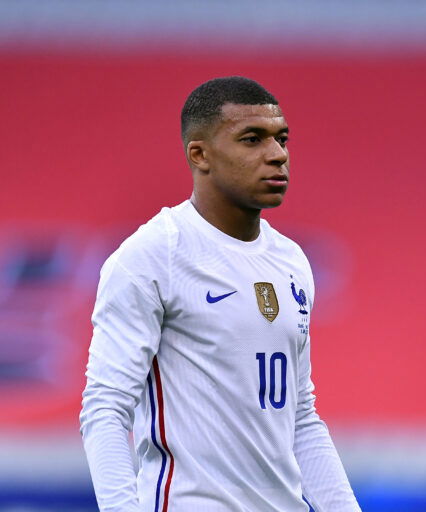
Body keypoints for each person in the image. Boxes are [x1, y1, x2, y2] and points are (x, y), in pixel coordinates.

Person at [79, 76, 361, 512]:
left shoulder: (291, 260)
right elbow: (105, 407)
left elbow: (301, 416)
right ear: (200, 154)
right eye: (252, 139)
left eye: (282, 139)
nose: (277, 154)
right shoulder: (153, 256)